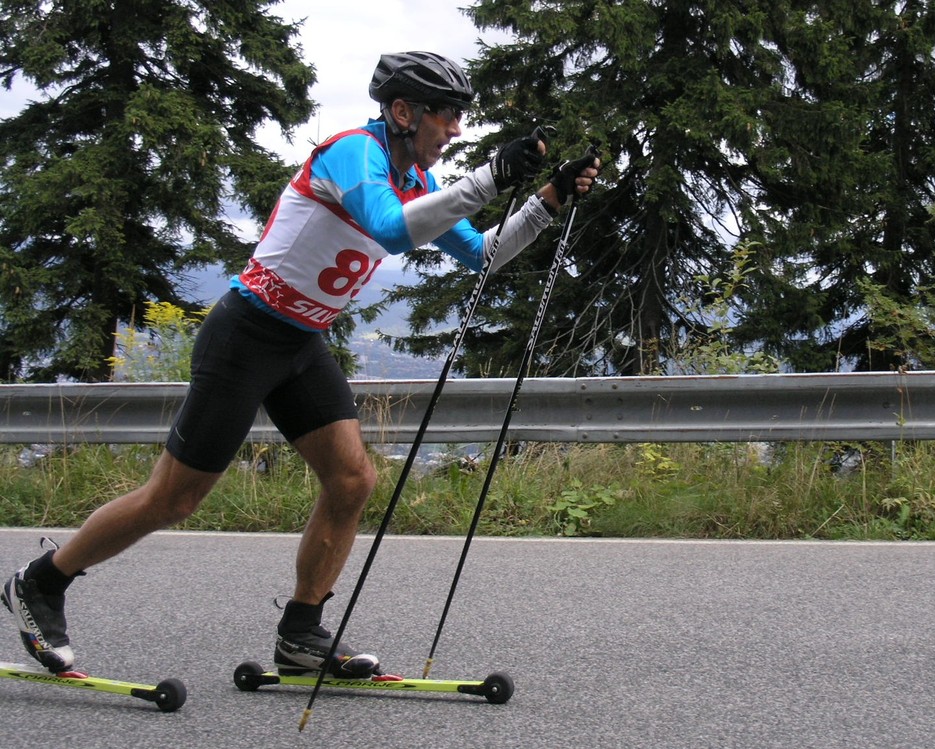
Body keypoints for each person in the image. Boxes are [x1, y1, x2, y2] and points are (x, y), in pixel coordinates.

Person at [1, 51, 600, 678]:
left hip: (300, 344)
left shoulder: (417, 182)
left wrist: (548, 197)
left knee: (351, 480)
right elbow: (390, 230)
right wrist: (487, 177)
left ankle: (301, 631)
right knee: (173, 499)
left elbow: (483, 255)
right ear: (402, 111)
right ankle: (40, 583)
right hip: (245, 337)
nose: (454, 131)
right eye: (446, 116)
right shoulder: (352, 154)